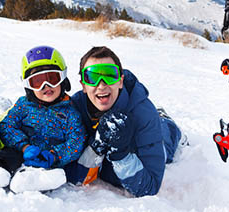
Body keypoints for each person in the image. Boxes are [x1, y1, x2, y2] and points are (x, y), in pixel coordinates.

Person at [65, 46, 186, 197]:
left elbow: (150, 187)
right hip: (107, 167)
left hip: (156, 134)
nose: (101, 85)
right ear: (83, 85)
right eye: (92, 77)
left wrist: (121, 155)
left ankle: (167, 122)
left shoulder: (143, 114)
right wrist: (97, 145)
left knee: (166, 141)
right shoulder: (75, 107)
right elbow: (73, 173)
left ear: (120, 81)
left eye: (110, 75)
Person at [0, 45, 86, 192]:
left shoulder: (71, 111)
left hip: (49, 158)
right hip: (20, 151)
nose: (46, 86)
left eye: (52, 78)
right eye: (37, 82)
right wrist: (24, 146)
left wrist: (54, 155)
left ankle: (33, 179)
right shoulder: (24, 105)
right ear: (28, 85)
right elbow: (7, 126)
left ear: (63, 79)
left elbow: (76, 141)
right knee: (9, 155)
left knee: (55, 169)